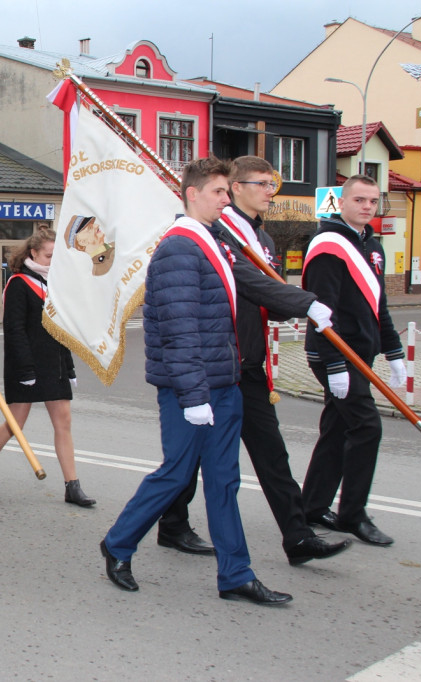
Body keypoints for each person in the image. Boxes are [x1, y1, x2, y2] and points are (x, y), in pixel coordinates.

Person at [100, 158, 292, 605]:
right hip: (193, 390)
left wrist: (307, 304)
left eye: (228, 192)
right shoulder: (179, 248)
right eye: (219, 192)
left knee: (224, 480)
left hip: (223, 384)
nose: (227, 200)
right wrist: (191, 394)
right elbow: (178, 325)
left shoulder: (213, 242)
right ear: (192, 193)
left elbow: (252, 288)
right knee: (176, 474)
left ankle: (236, 575)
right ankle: (118, 543)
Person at [153, 157, 352, 565]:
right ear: (236, 188)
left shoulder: (263, 241)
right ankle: (169, 525)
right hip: (218, 362)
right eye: (261, 183)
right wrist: (305, 301)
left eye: (272, 184)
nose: (269, 191)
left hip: (248, 363)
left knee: (271, 454)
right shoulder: (217, 233)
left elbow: (267, 299)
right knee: (189, 458)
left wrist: (293, 305)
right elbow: (246, 283)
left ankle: (297, 537)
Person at [301, 174, 407, 547]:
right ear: (341, 203)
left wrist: (393, 351)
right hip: (335, 353)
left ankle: (312, 507)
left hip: (360, 351)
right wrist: (333, 364)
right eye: (359, 200)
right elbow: (321, 311)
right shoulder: (329, 244)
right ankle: (352, 514)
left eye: (373, 202)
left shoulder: (371, 245)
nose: (367, 207)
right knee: (366, 428)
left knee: (338, 428)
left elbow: (378, 306)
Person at [0, 227, 95, 506]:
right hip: (26, 366)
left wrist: (69, 366)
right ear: (33, 252)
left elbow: (62, 330)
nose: (53, 260)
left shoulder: (55, 284)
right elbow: (15, 331)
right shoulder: (19, 283)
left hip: (54, 364)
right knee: (15, 424)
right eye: (49, 255)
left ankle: (72, 486)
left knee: (64, 422)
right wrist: (25, 371)